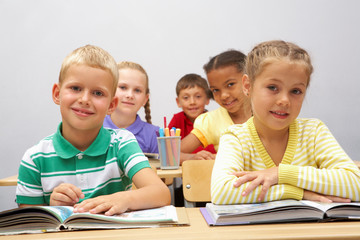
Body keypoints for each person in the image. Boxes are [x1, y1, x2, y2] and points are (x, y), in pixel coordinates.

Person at [16, 45, 170, 215]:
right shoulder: (34, 158)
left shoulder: (121, 143)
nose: (84, 99)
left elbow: (161, 192)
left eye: (97, 93)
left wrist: (123, 199)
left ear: (111, 105)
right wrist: (52, 208)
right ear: (57, 94)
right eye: (75, 88)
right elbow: (28, 224)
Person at [211, 40, 360, 205]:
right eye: (273, 87)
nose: (284, 100)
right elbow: (222, 192)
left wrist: (281, 174)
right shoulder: (235, 138)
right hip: (258, 231)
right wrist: (298, 192)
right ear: (248, 86)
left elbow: (355, 184)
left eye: (296, 91)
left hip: (311, 231)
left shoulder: (314, 132)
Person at [180, 50, 252, 163]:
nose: (223, 96)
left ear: (248, 81)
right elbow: (172, 156)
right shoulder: (211, 121)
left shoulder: (269, 113)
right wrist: (192, 158)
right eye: (216, 90)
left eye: (230, 84)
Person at [103, 61, 159, 153]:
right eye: (123, 87)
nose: (130, 95)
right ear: (110, 90)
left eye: (137, 90)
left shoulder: (155, 134)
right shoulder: (93, 127)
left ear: (145, 98)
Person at [168, 73, 216, 154]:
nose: (192, 102)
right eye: (186, 98)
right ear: (178, 102)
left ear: (207, 99)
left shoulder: (213, 120)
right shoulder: (177, 120)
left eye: (198, 96)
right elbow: (169, 153)